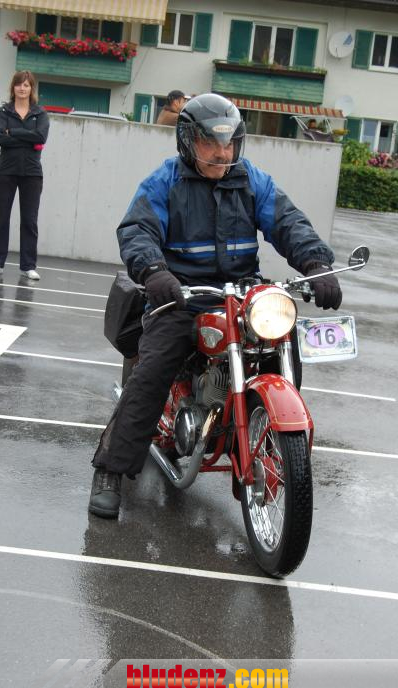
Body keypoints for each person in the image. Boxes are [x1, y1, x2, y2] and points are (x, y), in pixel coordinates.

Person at [89, 92, 342, 519]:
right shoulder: (165, 181)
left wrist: (316, 264)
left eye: (229, 143)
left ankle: (264, 447)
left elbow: (287, 221)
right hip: (182, 296)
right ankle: (111, 470)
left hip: (240, 294)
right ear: (188, 142)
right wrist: (154, 271)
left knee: (282, 346)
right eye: (211, 143)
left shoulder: (251, 180)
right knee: (152, 372)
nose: (222, 153)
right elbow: (137, 229)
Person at [0, 70, 49, 280]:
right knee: (1, 218)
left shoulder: (40, 114)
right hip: (6, 171)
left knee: (29, 220)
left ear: (32, 89)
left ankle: (28, 266)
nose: (22, 88)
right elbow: (0, 139)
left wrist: (13, 132)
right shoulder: (4, 112)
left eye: (26, 85)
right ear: (13, 87)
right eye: (19, 84)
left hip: (32, 173)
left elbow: (41, 137)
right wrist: (29, 138)